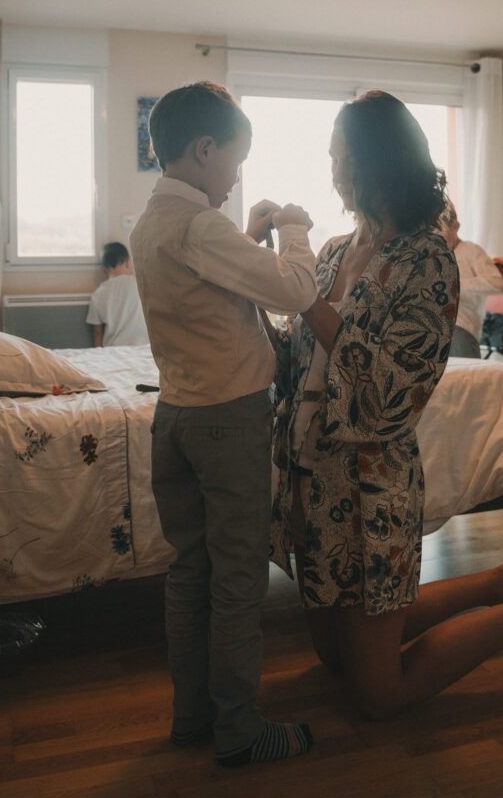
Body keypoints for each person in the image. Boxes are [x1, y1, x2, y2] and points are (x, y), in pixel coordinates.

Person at [271, 90, 503, 722]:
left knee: (379, 691)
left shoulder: (429, 260)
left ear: (378, 161)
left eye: (342, 158)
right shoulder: (330, 253)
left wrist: (308, 303)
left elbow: (388, 393)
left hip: (372, 484)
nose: (333, 171)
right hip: (314, 479)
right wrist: (255, 290)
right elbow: (299, 360)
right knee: (338, 661)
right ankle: (498, 583)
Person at [130, 82, 317, 768]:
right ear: (204, 150)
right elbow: (296, 290)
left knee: (190, 574)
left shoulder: (151, 223)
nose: (236, 175)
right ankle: (239, 730)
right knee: (238, 582)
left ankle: (192, 716)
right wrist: (293, 227)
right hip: (225, 423)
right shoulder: (200, 225)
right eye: (234, 160)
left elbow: (208, 281)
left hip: (175, 418)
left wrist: (249, 237)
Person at [439, 201, 503, 358]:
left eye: (442, 230)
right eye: (434, 231)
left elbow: (497, 283)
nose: (438, 236)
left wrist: (456, 286)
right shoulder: (432, 257)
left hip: (460, 326)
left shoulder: (470, 251)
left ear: (456, 226)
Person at [86, 241, 149, 347]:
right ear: (128, 262)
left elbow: (97, 333)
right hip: (142, 347)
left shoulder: (98, 294)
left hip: (113, 349)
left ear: (103, 268)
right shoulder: (142, 285)